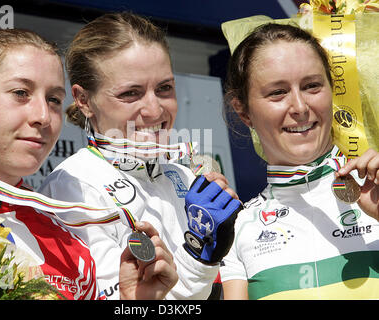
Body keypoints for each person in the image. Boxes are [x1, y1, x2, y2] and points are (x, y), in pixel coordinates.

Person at [0, 28, 178, 300]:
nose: (43, 116)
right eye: (20, 93)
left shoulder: (66, 240)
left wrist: (133, 302)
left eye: (53, 99)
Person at [39, 12, 239, 300]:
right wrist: (198, 256)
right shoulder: (72, 187)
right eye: (131, 93)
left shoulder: (183, 175)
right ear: (84, 101)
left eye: (164, 88)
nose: (155, 110)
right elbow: (129, 301)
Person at [220, 23, 379, 299]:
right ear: (244, 111)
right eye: (278, 92)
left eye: (312, 86)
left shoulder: (374, 192)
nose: (301, 107)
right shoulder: (240, 227)